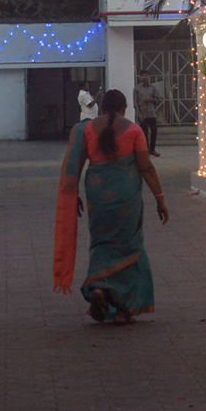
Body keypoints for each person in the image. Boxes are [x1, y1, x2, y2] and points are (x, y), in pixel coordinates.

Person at [53, 89, 168, 325]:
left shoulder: (86, 130)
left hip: (97, 195)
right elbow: (146, 167)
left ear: (102, 108)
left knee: (101, 242)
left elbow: (77, 165)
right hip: (127, 197)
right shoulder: (134, 130)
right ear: (125, 109)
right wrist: (160, 198)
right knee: (129, 246)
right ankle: (124, 309)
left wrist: (73, 195)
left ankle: (98, 287)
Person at [133, 75, 162, 154]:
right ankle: (146, 149)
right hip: (143, 113)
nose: (145, 78)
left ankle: (152, 149)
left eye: (146, 76)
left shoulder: (152, 88)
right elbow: (135, 103)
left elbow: (157, 100)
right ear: (140, 78)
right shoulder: (137, 88)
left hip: (151, 113)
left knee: (154, 131)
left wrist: (150, 100)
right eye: (143, 76)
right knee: (144, 133)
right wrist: (139, 114)